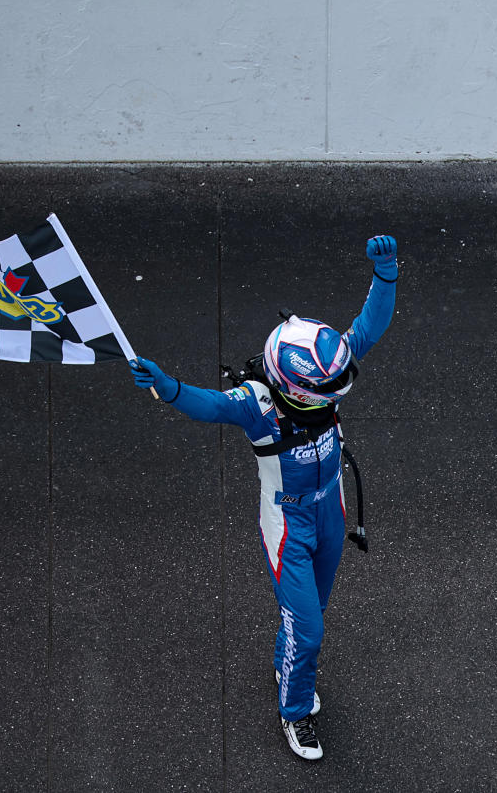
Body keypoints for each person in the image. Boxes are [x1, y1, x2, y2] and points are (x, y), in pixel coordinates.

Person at [129, 235, 398, 760]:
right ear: (296, 387)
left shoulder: (328, 362)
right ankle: (294, 712)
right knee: (312, 630)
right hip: (288, 527)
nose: (343, 385)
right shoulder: (255, 403)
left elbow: (369, 326)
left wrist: (386, 272)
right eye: (331, 386)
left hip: (329, 509)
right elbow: (209, 406)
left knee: (309, 614)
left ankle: (286, 658)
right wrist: (166, 385)